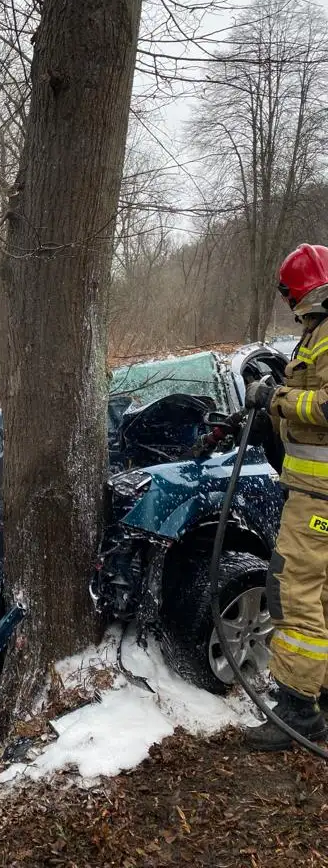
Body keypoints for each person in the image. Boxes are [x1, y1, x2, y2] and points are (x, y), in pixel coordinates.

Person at [244, 243, 328, 750]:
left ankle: (298, 712)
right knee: (320, 594)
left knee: (293, 591)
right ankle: (318, 696)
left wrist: (273, 396)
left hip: (318, 496)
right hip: (316, 491)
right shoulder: (316, 335)